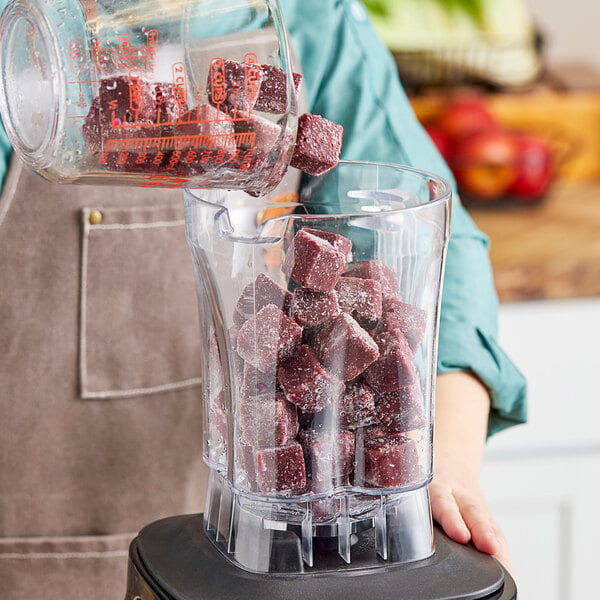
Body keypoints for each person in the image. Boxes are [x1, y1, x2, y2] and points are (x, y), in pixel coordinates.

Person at [0, 0, 526, 598]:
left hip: (254, 555)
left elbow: (434, 246)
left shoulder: (312, 19)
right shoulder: (33, 41)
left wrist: (437, 463)